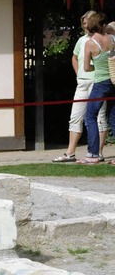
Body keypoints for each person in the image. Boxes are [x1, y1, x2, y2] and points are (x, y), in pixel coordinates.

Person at [53, 11, 107, 163]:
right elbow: (74, 57)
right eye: (83, 21)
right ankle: (70, 153)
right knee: (75, 117)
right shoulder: (82, 40)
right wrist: (78, 74)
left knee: (99, 118)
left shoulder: (103, 40)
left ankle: (98, 152)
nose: (85, 24)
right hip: (83, 82)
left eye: (88, 21)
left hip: (98, 82)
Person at [77, 12, 115, 165]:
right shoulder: (112, 39)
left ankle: (93, 154)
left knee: (90, 117)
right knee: (113, 118)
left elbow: (86, 67)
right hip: (113, 81)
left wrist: (97, 67)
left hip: (100, 83)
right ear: (102, 25)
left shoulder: (90, 43)